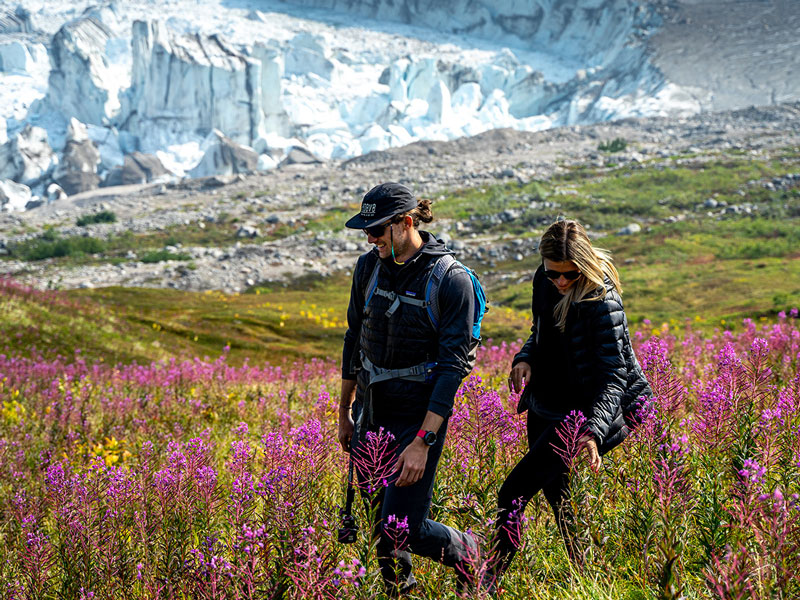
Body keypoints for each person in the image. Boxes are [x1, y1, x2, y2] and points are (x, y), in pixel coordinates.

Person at [491, 218, 652, 581]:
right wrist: (525, 357)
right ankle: (589, 579)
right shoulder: (544, 280)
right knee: (560, 498)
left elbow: (614, 376)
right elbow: (541, 332)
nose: (561, 281)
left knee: (511, 493)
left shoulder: (602, 300)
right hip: (547, 402)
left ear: (584, 265)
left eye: (570, 274)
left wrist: (593, 431)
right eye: (553, 274)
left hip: (589, 410)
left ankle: (486, 580)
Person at [338, 182, 477, 596]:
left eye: (378, 229)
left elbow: (452, 369)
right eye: (366, 231)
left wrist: (423, 441)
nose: (371, 238)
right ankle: (402, 594)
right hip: (371, 412)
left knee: (402, 528)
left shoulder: (452, 281)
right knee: (378, 524)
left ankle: (471, 551)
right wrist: (344, 412)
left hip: (418, 419)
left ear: (406, 223)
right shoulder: (367, 267)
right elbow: (353, 339)